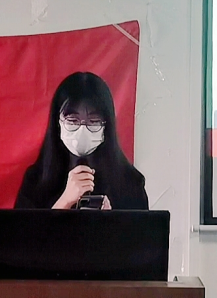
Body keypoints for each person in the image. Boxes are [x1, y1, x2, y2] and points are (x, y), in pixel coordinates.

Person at [15, 72, 148, 210]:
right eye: (73, 120)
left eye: (93, 121)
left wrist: (110, 219)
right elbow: (23, 225)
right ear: (57, 122)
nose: (82, 129)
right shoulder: (36, 180)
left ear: (107, 125)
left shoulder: (131, 182)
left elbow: (142, 224)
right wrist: (64, 202)